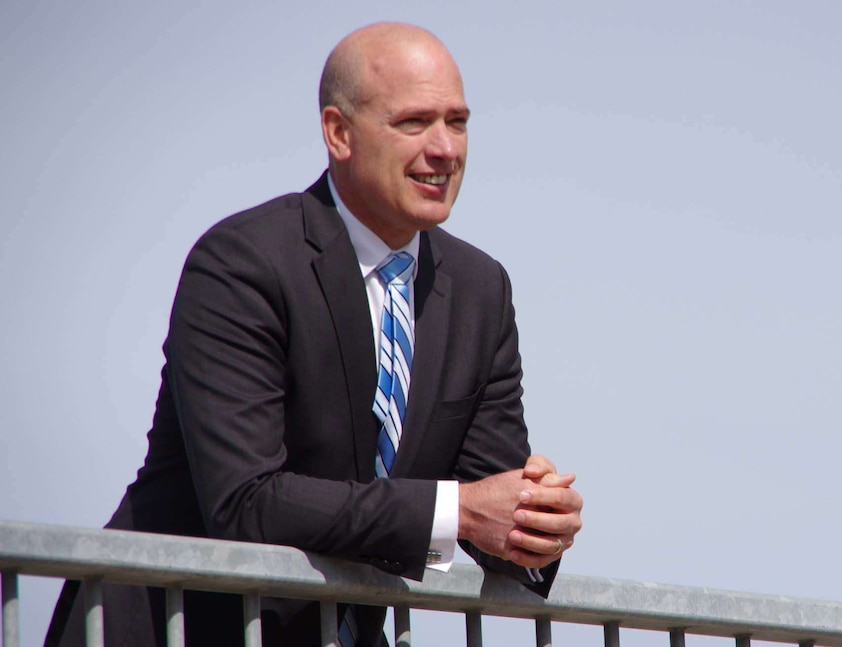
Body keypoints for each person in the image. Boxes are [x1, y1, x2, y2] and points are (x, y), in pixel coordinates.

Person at [45, 22, 583, 647]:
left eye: (457, 122)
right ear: (338, 133)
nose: (445, 149)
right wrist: (458, 509)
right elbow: (246, 501)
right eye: (414, 122)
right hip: (178, 627)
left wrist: (532, 525)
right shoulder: (242, 263)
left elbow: (491, 511)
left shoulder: (481, 290)